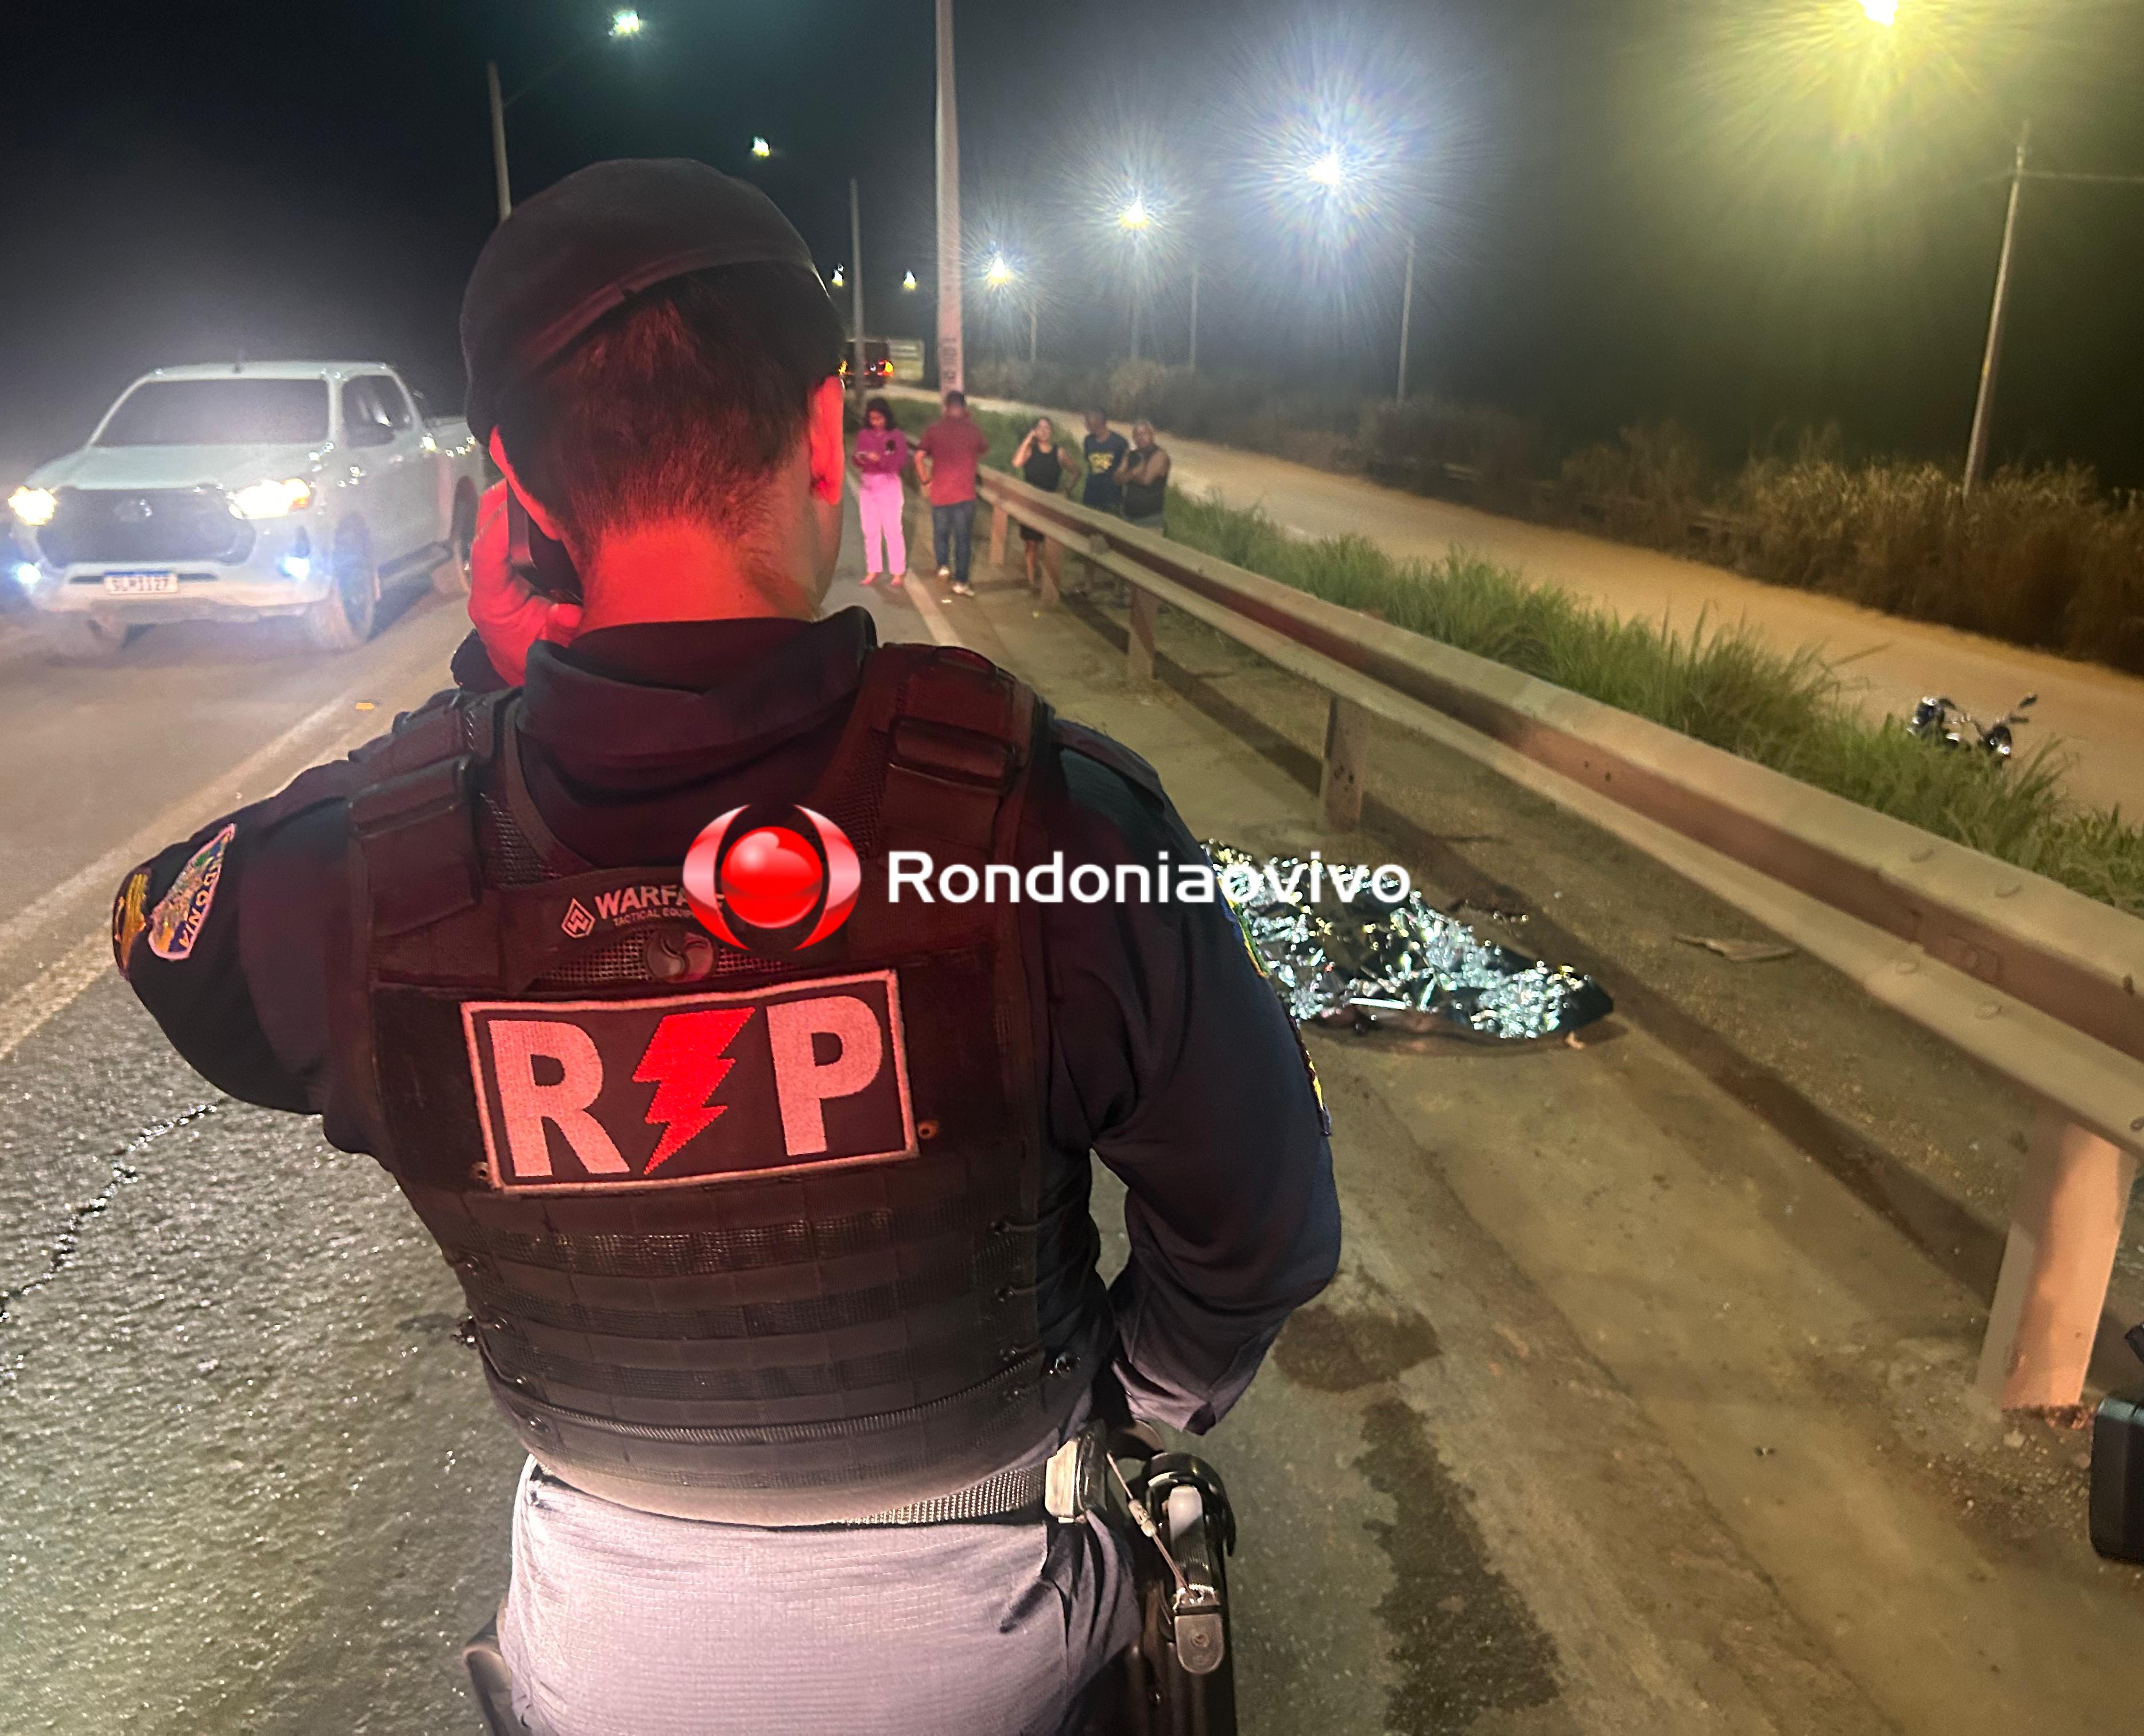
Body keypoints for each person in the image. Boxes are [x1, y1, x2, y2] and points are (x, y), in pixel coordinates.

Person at [108, 158, 1338, 1736]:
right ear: (828, 433)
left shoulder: (367, 877)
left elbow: (166, 923)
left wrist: (486, 692)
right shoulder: (1056, 823)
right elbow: (1263, 1228)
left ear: (515, 495)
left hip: (605, 1657)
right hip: (1002, 1644)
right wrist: (1126, 1400)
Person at [914, 389, 990, 597]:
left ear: (945, 408)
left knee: (941, 535)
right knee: (963, 540)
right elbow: (983, 450)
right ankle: (961, 583)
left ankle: (943, 567)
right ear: (964, 408)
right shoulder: (973, 430)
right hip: (965, 495)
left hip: (940, 493)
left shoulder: (934, 429)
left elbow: (918, 457)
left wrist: (925, 479)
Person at [850, 397, 910, 587]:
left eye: (879, 418)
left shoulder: (895, 436)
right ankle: (873, 568)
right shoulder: (864, 434)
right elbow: (856, 457)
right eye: (872, 419)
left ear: (886, 417)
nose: (876, 422)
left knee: (892, 529)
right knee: (870, 529)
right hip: (868, 484)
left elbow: (899, 462)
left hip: (888, 484)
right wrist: (860, 458)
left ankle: (897, 571)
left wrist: (880, 460)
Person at [1010, 415, 1071, 590]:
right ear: (1035, 430)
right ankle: (1031, 579)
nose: (1044, 431)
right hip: (1031, 504)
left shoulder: (1059, 452)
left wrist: (1066, 489)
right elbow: (1016, 463)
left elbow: (1076, 471)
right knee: (1031, 544)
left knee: (1049, 545)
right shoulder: (1031, 450)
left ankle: (1047, 580)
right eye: (1040, 428)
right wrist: (1029, 439)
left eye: (1047, 428)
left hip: (1050, 505)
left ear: (1052, 432)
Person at [1112, 420, 1171, 534]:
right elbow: (1116, 479)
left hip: (1150, 522)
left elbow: (1146, 479)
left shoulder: (1160, 455)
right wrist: (1134, 472)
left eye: (1144, 433)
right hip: (1127, 517)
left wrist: (1127, 475)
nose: (1141, 437)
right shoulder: (1130, 455)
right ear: (1134, 439)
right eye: (1137, 435)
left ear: (1152, 435)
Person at [1077, 410, 1127, 515]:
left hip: (1111, 498)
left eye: (1088, 420)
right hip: (1090, 495)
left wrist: (1121, 472)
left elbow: (1126, 463)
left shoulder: (1120, 442)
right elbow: (1089, 462)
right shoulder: (1088, 441)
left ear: (1099, 420)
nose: (1086, 424)